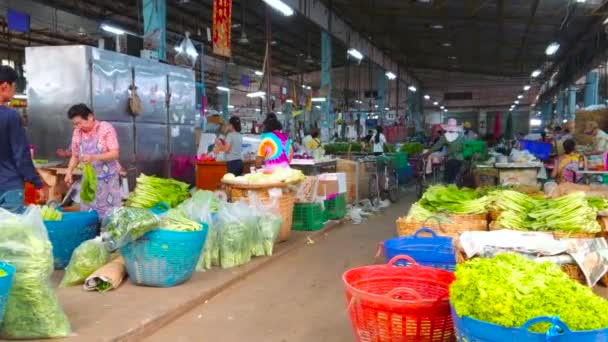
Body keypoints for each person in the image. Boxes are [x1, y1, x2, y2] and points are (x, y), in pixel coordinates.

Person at [0, 65, 44, 212]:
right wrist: (37, 183)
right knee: (12, 233)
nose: (14, 91)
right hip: (9, 186)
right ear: (5, 86)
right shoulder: (10, 116)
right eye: (14, 86)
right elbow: (21, 155)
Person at [65, 104, 121, 218]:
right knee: (88, 214)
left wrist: (94, 157)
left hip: (108, 180)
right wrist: (69, 171)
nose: (77, 127)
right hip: (89, 181)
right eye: (75, 124)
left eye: (79, 123)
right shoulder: (77, 132)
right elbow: (75, 156)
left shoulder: (105, 128)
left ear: (90, 117)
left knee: (109, 215)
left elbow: (115, 153)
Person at [429, 118, 465, 185]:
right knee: (455, 176)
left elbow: (437, 146)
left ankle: (450, 186)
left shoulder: (445, 136)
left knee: (448, 178)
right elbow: (463, 147)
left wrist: (427, 153)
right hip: (459, 159)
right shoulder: (460, 136)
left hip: (450, 159)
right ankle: (455, 186)